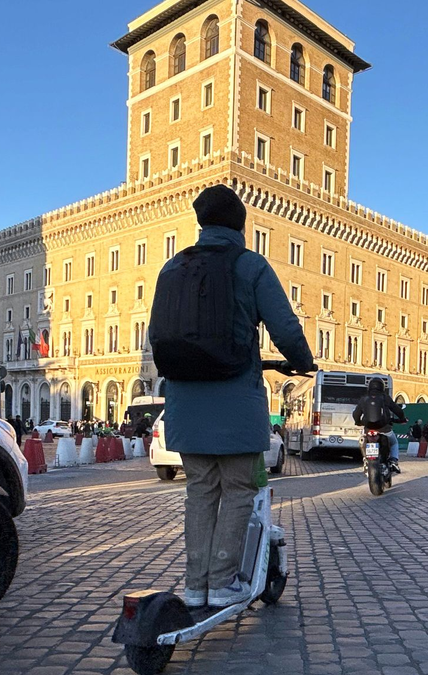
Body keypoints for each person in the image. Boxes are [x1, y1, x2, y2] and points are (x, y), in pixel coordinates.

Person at [149, 184, 313, 609]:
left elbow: (158, 334)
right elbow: (285, 327)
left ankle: (195, 582)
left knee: (200, 490)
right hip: (235, 401)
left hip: (184, 401)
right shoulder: (250, 266)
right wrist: (303, 361)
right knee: (239, 488)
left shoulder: (172, 268)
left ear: (202, 223)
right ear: (240, 226)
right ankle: (222, 581)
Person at [352, 378, 406, 473]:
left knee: (362, 441)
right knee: (394, 443)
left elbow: (356, 413)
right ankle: (394, 460)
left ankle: (365, 459)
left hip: (368, 429)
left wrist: (358, 422)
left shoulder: (364, 399)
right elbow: (397, 410)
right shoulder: (385, 398)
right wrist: (402, 419)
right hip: (384, 429)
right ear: (382, 387)